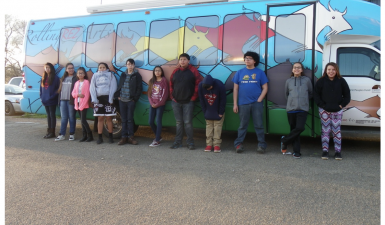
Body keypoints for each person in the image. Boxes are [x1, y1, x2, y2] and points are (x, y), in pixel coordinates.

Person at [232, 51, 268, 153]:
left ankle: (261, 145)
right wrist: (235, 104)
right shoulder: (239, 72)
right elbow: (235, 89)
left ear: (254, 61)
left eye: (249, 58)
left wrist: (260, 99)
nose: (247, 60)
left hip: (257, 103)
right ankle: (238, 144)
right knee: (243, 125)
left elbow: (265, 88)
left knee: (259, 125)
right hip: (243, 103)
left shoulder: (260, 73)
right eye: (246, 58)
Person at [314, 62, 350, 160]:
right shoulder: (321, 81)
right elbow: (316, 95)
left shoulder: (341, 81)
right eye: (329, 69)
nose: (331, 72)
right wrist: (322, 105)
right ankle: (325, 151)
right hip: (324, 110)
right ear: (326, 70)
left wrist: (341, 105)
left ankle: (338, 152)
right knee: (325, 131)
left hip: (337, 111)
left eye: (333, 70)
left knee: (336, 131)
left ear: (336, 71)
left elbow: (347, 96)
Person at [169, 53, 202, 150]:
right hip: (176, 101)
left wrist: (193, 98)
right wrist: (172, 97)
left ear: (188, 61)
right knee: (179, 122)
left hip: (188, 102)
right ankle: (178, 142)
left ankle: (190, 142)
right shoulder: (175, 71)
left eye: (184, 59)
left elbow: (198, 85)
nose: (182, 61)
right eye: (181, 59)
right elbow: (171, 84)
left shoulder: (193, 71)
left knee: (188, 122)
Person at [280, 62, 313, 159]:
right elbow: (286, 94)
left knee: (300, 128)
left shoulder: (307, 80)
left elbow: (310, 93)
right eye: (295, 67)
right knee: (294, 131)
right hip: (291, 109)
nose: (297, 69)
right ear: (292, 70)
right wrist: (292, 102)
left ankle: (284, 141)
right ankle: (296, 152)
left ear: (302, 70)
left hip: (303, 109)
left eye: (299, 67)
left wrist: (304, 101)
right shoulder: (288, 81)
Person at [114, 59, 143, 145]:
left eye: (131, 64)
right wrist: (118, 96)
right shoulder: (123, 74)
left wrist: (135, 99)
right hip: (122, 100)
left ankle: (131, 137)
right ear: (126, 65)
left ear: (134, 65)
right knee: (124, 119)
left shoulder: (137, 75)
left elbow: (139, 88)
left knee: (130, 120)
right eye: (128, 64)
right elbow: (120, 85)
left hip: (130, 100)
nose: (130, 66)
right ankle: (123, 137)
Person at [90, 62, 117, 144]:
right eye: (100, 67)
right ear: (98, 68)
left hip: (108, 98)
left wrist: (111, 98)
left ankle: (110, 136)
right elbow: (92, 87)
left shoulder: (110, 75)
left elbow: (113, 86)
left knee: (109, 118)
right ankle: (100, 137)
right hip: (98, 99)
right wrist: (94, 98)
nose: (102, 69)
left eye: (103, 67)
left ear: (106, 68)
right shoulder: (95, 75)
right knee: (100, 118)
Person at [198, 75, 226, 153]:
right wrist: (205, 111)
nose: (208, 90)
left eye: (209, 88)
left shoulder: (219, 85)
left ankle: (217, 145)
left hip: (218, 109)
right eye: (206, 89)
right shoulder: (200, 86)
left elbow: (223, 99)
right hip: (208, 110)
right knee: (209, 127)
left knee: (217, 127)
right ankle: (209, 144)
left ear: (212, 85)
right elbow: (201, 99)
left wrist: (221, 112)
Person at [55, 63, 78, 141]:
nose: (71, 69)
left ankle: (72, 134)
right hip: (62, 100)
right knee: (64, 118)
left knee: (72, 117)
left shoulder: (76, 77)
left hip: (71, 100)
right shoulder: (63, 78)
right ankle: (62, 134)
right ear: (66, 69)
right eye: (69, 68)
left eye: (72, 68)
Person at [147, 66, 169, 147]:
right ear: (154, 72)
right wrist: (152, 103)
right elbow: (149, 94)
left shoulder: (164, 81)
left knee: (158, 120)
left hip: (160, 105)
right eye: (156, 71)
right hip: (152, 104)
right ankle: (158, 136)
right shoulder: (152, 81)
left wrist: (158, 104)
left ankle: (157, 140)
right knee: (150, 121)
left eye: (159, 70)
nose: (157, 72)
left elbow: (165, 95)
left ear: (161, 72)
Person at [72, 67, 93, 142]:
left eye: (81, 73)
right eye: (78, 73)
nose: (80, 74)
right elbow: (73, 93)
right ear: (77, 74)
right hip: (77, 103)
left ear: (84, 74)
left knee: (83, 120)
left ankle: (90, 135)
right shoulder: (77, 82)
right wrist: (78, 95)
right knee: (81, 120)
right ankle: (84, 135)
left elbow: (87, 94)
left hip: (83, 104)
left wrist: (83, 105)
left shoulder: (86, 82)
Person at [40, 62, 60, 139]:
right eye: (46, 67)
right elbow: (41, 90)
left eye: (49, 67)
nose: (47, 69)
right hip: (45, 100)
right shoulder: (43, 78)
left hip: (52, 100)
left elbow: (58, 90)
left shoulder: (55, 78)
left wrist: (51, 97)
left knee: (52, 115)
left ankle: (52, 132)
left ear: (51, 69)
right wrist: (42, 98)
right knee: (48, 116)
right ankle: (48, 131)